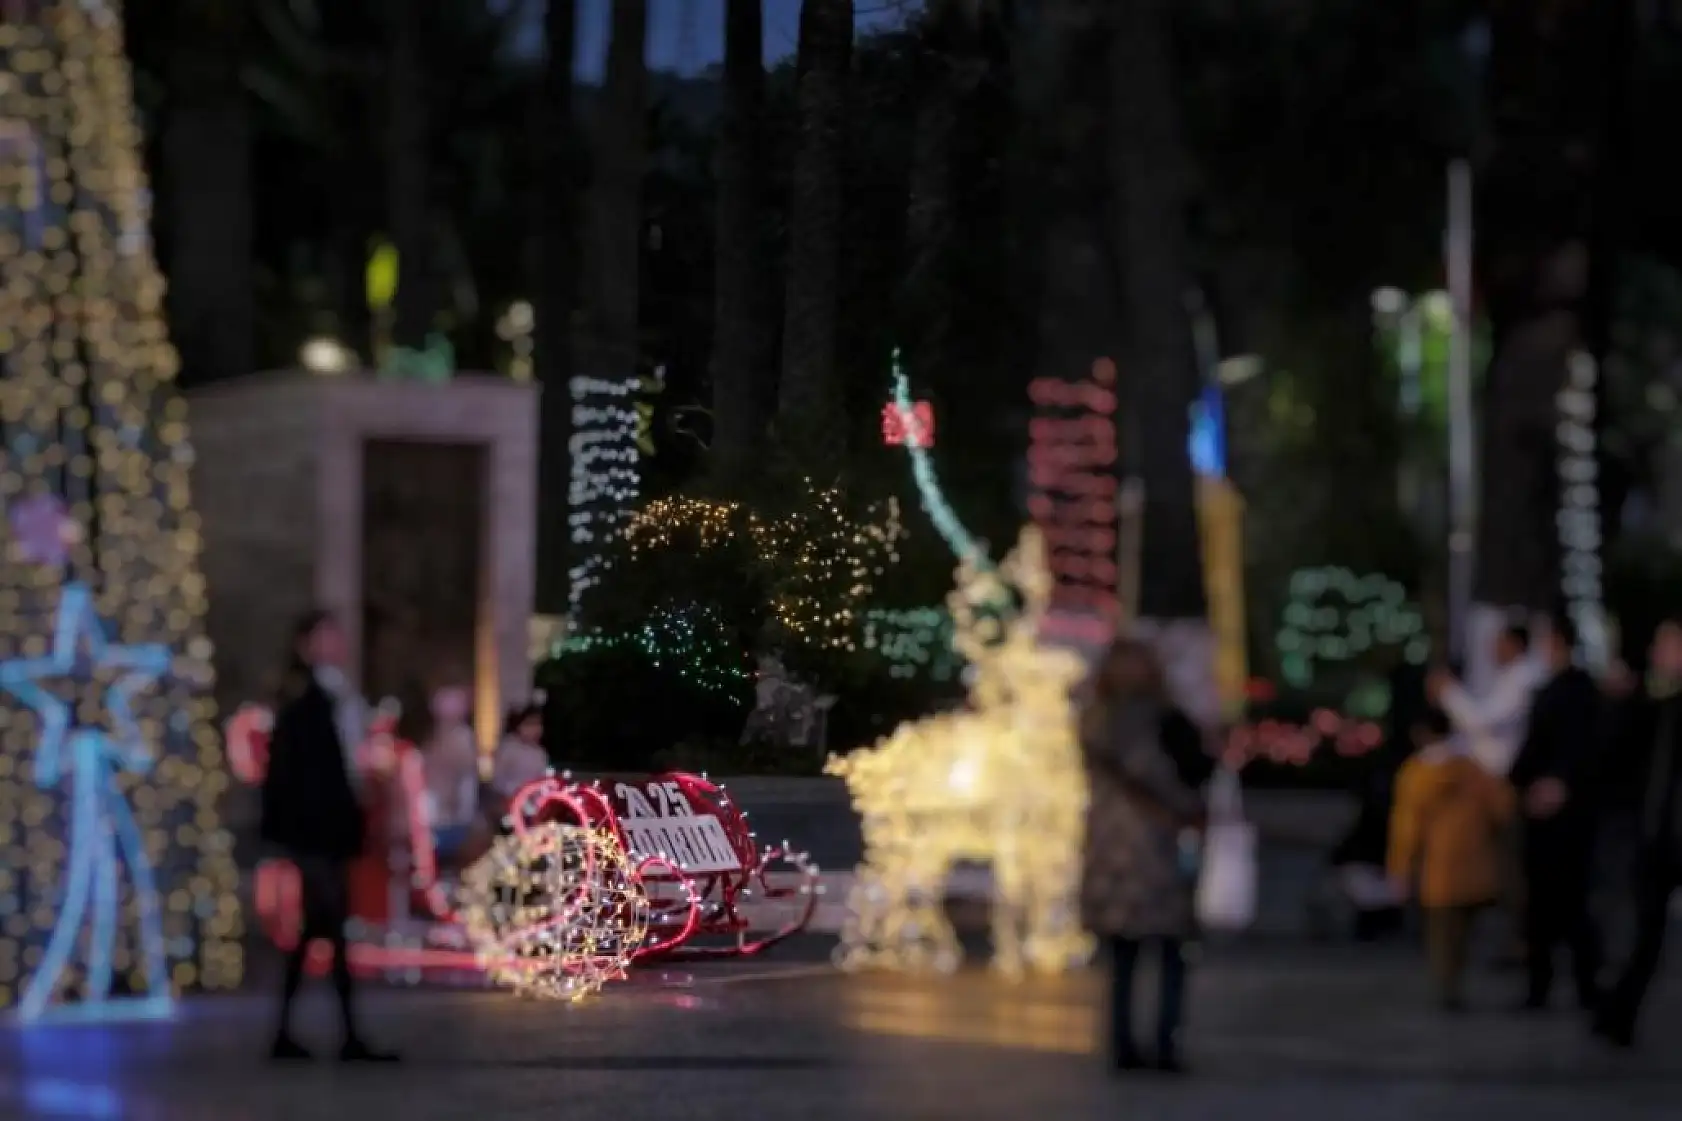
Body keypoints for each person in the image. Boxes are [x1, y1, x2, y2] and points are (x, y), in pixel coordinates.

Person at [259, 610, 397, 1063]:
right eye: (325, 636)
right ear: (306, 644)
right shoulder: (303, 698)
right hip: (314, 831)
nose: (335, 643)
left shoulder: (336, 695)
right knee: (331, 925)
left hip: (329, 830)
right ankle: (346, 1035)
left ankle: (294, 1033)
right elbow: (292, 773)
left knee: (319, 928)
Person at [1079, 638, 1205, 1074]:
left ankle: (1124, 1045)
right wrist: (1184, 811)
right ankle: (1163, 1043)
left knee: (1124, 957)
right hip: (1157, 845)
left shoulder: (1095, 721)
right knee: (1169, 951)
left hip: (1112, 851)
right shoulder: (1163, 721)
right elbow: (1191, 772)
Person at [1590, 617, 1682, 1048]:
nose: (1660, 653)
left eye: (1671, 644)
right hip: (1651, 837)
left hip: (1663, 833)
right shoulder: (1643, 702)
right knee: (1639, 931)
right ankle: (1616, 1011)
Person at [1387, 707, 1516, 1012]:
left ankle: (1449, 989)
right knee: (1470, 930)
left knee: (1443, 936)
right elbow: (1504, 808)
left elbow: (1407, 829)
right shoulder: (1474, 770)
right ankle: (1460, 981)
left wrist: (1400, 871)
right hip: (1478, 866)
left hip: (1438, 870)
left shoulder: (1416, 775)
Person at [1430, 621, 1543, 960]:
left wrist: (1449, 693)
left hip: (1504, 785)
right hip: (1488, 782)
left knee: (1510, 864)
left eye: (1499, 643)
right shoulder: (1510, 679)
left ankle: (1522, 940)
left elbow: (1483, 721)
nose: (1492, 651)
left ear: (1514, 644)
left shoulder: (1524, 679)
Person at [1508, 613, 1602, 1011]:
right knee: (1550, 904)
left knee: (1563, 902)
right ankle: (1551, 983)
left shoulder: (1575, 692)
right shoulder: (1565, 690)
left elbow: (1580, 748)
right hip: (1550, 808)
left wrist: (1559, 783)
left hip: (1564, 815)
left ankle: (1573, 984)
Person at [422, 683, 484, 866]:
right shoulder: (434, 736)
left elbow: (468, 777)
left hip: (455, 815)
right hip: (434, 812)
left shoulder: (464, 737)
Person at [490, 696, 550, 806]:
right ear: (518, 725)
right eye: (530, 724)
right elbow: (497, 781)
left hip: (534, 805)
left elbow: (542, 780)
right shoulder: (507, 749)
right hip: (510, 803)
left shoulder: (540, 753)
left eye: (538, 724)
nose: (536, 729)